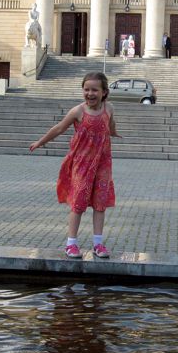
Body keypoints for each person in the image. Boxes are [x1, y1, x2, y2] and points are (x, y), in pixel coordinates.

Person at [28, 72, 119, 259]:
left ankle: (98, 243)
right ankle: (71, 243)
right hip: (82, 164)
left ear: (104, 92)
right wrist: (40, 142)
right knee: (78, 204)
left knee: (100, 204)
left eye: (95, 90)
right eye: (86, 89)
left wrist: (114, 133)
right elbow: (59, 128)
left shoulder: (108, 108)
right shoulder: (78, 111)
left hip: (102, 164)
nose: (90, 93)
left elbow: (111, 125)